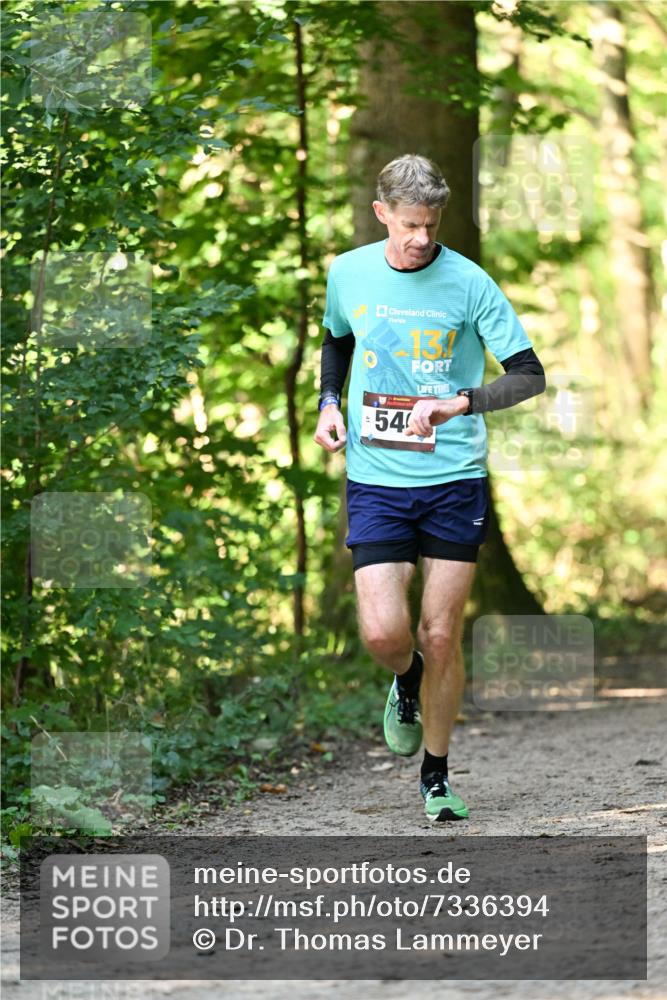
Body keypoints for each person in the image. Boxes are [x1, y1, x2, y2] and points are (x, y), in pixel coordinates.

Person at [314, 154, 545, 822]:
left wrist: (462, 402)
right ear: (381, 213)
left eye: (431, 224)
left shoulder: (469, 283)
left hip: (453, 480)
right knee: (386, 634)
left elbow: (529, 375)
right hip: (376, 480)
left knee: (440, 633)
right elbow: (336, 340)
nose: (421, 237)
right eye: (410, 224)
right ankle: (406, 679)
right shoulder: (348, 271)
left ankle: (436, 776)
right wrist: (330, 402)